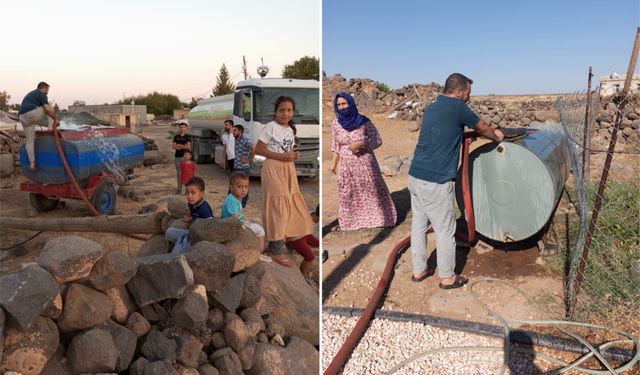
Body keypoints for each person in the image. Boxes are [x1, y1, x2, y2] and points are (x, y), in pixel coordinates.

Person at [409, 73, 504, 289]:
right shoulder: (458, 106)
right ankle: (448, 278)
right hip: (435, 180)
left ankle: (419, 271)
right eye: (468, 93)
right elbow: (481, 127)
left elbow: (446, 131)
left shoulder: (434, 105)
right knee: (444, 230)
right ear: (459, 91)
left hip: (416, 176)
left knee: (419, 225)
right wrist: (497, 136)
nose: (469, 97)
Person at [255, 96, 313, 267]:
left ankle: (285, 237)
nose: (285, 113)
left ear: (293, 112)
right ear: (276, 111)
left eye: (289, 110)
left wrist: (294, 155)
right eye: (282, 110)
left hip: (288, 168)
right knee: (277, 206)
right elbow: (259, 149)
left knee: (290, 203)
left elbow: (285, 149)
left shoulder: (290, 129)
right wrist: (282, 156)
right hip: (273, 167)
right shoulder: (270, 127)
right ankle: (276, 248)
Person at [329, 92, 397, 231]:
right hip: (347, 165)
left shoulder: (363, 121)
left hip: (365, 163)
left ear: (351, 103)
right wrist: (333, 164)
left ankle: (380, 219)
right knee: (349, 192)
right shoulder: (335, 124)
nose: (342, 107)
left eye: (344, 103)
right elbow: (336, 146)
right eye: (339, 105)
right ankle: (352, 222)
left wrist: (362, 143)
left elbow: (377, 140)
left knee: (372, 189)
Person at [165, 176, 214, 254]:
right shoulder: (191, 203)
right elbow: (196, 215)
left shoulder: (204, 209)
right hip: (190, 232)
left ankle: (176, 252)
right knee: (169, 232)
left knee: (177, 249)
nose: (189, 196)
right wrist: (191, 218)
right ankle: (179, 243)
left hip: (198, 237)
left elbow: (211, 226)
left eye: (193, 192)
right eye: (187, 192)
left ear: (202, 194)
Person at [18, 82, 60, 171]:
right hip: (31, 114)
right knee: (50, 107)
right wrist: (55, 119)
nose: (47, 93)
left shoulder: (32, 94)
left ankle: (32, 164)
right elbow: (48, 110)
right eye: (47, 90)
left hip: (22, 118)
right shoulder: (41, 93)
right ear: (43, 88)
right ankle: (50, 127)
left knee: (30, 141)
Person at [221, 171, 265, 252]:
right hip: (236, 225)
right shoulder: (232, 201)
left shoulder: (234, 198)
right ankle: (260, 252)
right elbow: (234, 218)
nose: (244, 190)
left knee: (255, 226)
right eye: (240, 187)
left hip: (238, 223)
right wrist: (241, 230)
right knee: (260, 230)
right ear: (231, 187)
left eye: (246, 187)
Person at [232, 124, 254, 208]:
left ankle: (242, 206)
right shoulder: (236, 140)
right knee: (233, 186)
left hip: (243, 168)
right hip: (236, 167)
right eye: (233, 130)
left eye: (235, 130)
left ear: (240, 131)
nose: (233, 132)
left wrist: (249, 159)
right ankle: (233, 204)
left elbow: (253, 148)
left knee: (243, 188)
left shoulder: (245, 140)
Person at [172, 122, 192, 194]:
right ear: (179, 128)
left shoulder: (188, 137)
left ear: (186, 128)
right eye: (181, 127)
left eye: (184, 127)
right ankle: (179, 188)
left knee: (186, 173)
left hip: (185, 157)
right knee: (179, 173)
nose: (182, 128)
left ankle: (186, 188)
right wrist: (183, 146)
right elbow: (173, 147)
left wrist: (179, 145)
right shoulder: (176, 137)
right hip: (177, 157)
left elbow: (188, 147)